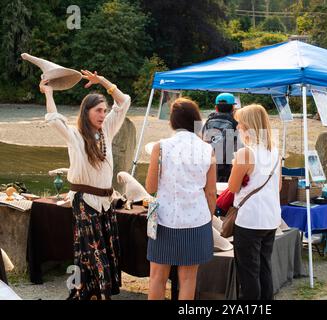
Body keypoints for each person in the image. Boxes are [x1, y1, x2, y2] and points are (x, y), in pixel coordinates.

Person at [39, 70, 130, 300]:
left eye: (104, 111)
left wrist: (102, 82)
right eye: (98, 110)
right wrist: (48, 93)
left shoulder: (107, 130)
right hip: (84, 201)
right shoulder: (75, 136)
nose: (103, 115)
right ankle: (99, 294)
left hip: (105, 203)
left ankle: (86, 293)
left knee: (102, 252)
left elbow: (124, 100)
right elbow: (54, 119)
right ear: (86, 111)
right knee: (94, 252)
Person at [145, 98, 216, 300]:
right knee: (188, 279)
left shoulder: (160, 146)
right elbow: (211, 193)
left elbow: (151, 187)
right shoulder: (207, 149)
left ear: (172, 121)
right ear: (196, 120)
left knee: (157, 277)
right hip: (197, 220)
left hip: (164, 219)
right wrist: (208, 217)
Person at [227, 104, 282, 300]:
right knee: (264, 268)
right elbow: (278, 187)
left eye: (239, 124)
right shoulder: (274, 151)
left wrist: (236, 167)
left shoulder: (245, 153)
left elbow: (232, 187)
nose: (237, 128)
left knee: (248, 273)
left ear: (248, 126)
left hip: (250, 219)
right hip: (271, 217)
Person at [202, 93, 239, 182]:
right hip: (227, 167)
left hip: (209, 164)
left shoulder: (208, 122)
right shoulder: (235, 124)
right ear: (233, 108)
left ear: (216, 107)